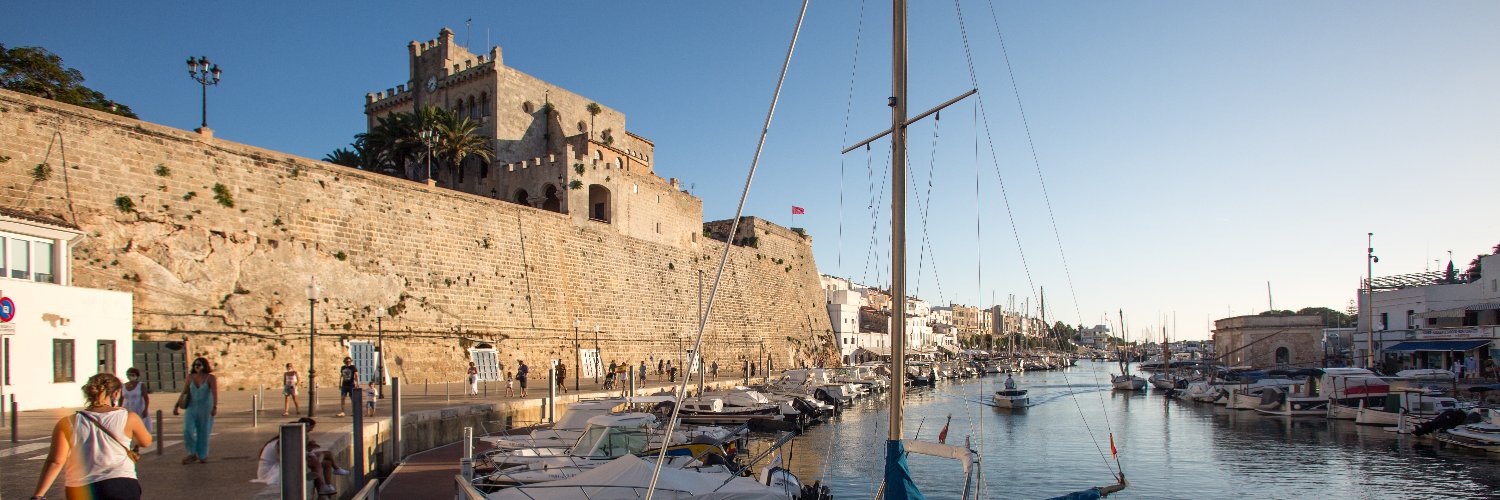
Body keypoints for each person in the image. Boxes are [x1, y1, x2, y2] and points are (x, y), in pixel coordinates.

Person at [30, 373, 152, 500]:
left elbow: (56, 461)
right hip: (121, 484)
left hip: (81, 489)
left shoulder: (67, 422)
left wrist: (38, 495)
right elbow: (146, 442)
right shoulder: (129, 417)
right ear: (116, 394)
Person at [253, 417, 349, 495]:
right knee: (316, 462)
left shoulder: (288, 440)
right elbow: (287, 458)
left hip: (284, 463)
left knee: (327, 462)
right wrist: (308, 452)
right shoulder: (281, 442)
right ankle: (323, 486)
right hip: (272, 469)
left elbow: (295, 454)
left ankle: (325, 488)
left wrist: (308, 449)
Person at [174, 357, 218, 464]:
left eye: (199, 365)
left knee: (203, 432)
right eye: (195, 365)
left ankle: (202, 455)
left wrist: (214, 407)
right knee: (187, 430)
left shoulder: (210, 378)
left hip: (205, 408)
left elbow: (214, 393)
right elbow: (184, 392)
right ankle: (192, 453)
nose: (196, 367)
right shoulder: (190, 377)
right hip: (191, 407)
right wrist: (176, 405)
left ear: (204, 366)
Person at [120, 368, 151, 446]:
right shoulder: (124, 386)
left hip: (138, 408)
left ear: (137, 376)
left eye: (132, 375)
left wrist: (145, 409)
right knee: (126, 426)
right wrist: (119, 408)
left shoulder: (141, 385)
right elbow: (121, 398)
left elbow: (146, 398)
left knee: (139, 427)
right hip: (127, 408)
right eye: (129, 375)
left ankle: (137, 445)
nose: (130, 376)